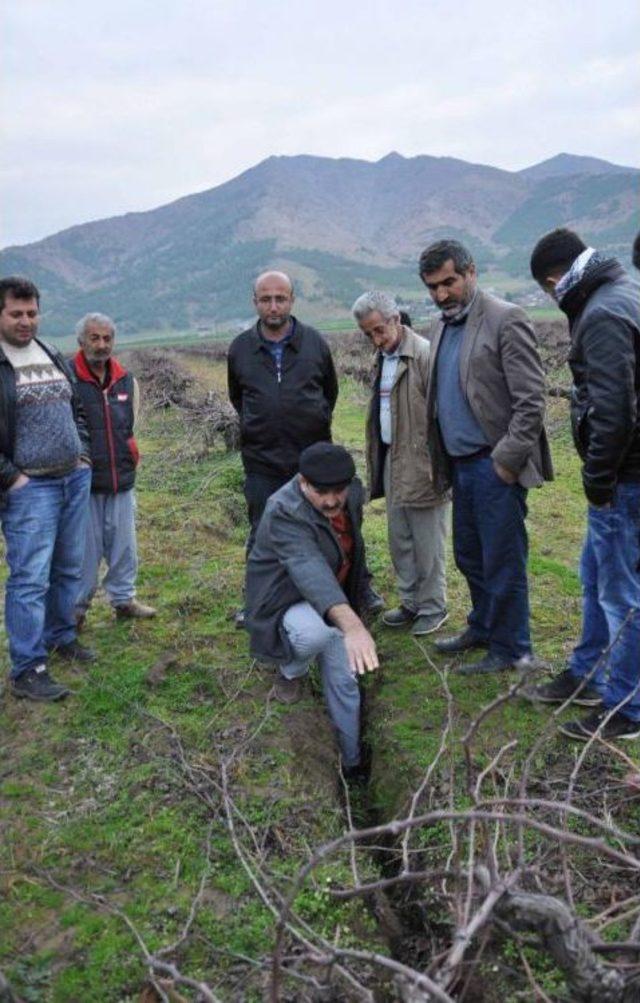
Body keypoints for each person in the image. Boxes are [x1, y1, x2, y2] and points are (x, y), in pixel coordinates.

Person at [419, 240, 553, 673]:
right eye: (432, 287)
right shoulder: (440, 327)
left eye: (449, 282)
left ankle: (512, 648)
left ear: (470, 272)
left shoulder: (505, 318)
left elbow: (531, 400)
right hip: (460, 466)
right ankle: (483, 626)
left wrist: (506, 461)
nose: (441, 295)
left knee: (503, 561)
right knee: (470, 555)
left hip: (493, 465)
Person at [528, 228, 640, 741]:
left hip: (625, 476)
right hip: (623, 475)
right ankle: (589, 672)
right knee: (595, 575)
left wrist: (597, 477)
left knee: (621, 593)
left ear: (555, 281)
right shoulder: (620, 292)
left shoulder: (601, 313)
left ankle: (628, 706)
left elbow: (616, 411)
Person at [227, 270, 383, 622]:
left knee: (339, 526)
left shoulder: (314, 343)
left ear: (292, 300)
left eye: (280, 298)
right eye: (265, 299)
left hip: (313, 460)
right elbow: (238, 398)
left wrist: (310, 423)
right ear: (255, 303)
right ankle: (257, 600)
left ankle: (359, 589)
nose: (273, 306)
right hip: (262, 460)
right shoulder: (240, 349)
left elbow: (329, 393)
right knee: (262, 530)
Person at [246, 442, 378, 776]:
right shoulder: (283, 510)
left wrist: (358, 598)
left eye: (339, 491)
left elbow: (352, 549)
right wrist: (353, 626)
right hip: (283, 601)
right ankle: (291, 671)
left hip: (330, 600)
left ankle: (352, 765)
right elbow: (308, 568)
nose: (332, 500)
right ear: (303, 482)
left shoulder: (353, 494)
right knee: (314, 633)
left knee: (346, 682)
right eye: (322, 492)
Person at [0, 276, 94, 702]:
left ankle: (61, 636)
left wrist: (83, 455)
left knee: (69, 566)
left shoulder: (49, 351)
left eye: (31, 312)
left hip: (72, 477)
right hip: (30, 487)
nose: (25, 321)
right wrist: (12, 478)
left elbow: (74, 408)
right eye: (16, 313)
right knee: (30, 578)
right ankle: (27, 668)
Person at [353, 290, 449, 636]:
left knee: (428, 541)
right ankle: (410, 603)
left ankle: (433, 607)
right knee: (400, 537)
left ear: (395, 319)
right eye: (368, 335)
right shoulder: (382, 358)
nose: (376, 339)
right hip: (391, 457)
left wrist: (437, 465)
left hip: (423, 462)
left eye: (379, 330)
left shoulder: (423, 354)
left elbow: (442, 414)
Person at [71, 313, 156, 625]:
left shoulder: (125, 380)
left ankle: (124, 600)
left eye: (107, 338)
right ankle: (75, 610)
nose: (102, 344)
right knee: (84, 552)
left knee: (124, 546)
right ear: (81, 342)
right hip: (84, 482)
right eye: (95, 338)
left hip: (121, 478)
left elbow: (129, 425)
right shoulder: (68, 379)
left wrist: (130, 454)